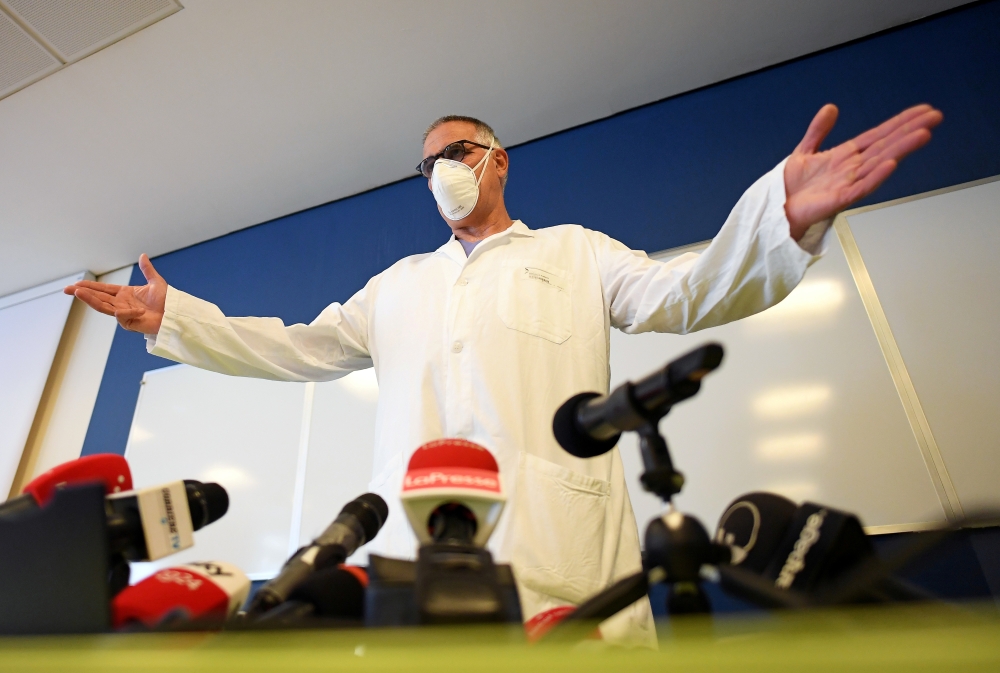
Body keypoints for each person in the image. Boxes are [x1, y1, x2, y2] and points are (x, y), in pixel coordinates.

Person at [66, 103, 942, 645]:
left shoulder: (574, 252)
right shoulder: (397, 287)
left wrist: (777, 218)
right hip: (411, 578)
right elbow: (299, 347)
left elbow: (683, 292)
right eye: (429, 161)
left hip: (569, 572)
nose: (444, 168)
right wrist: (176, 317)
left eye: (460, 150)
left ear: (498, 159)